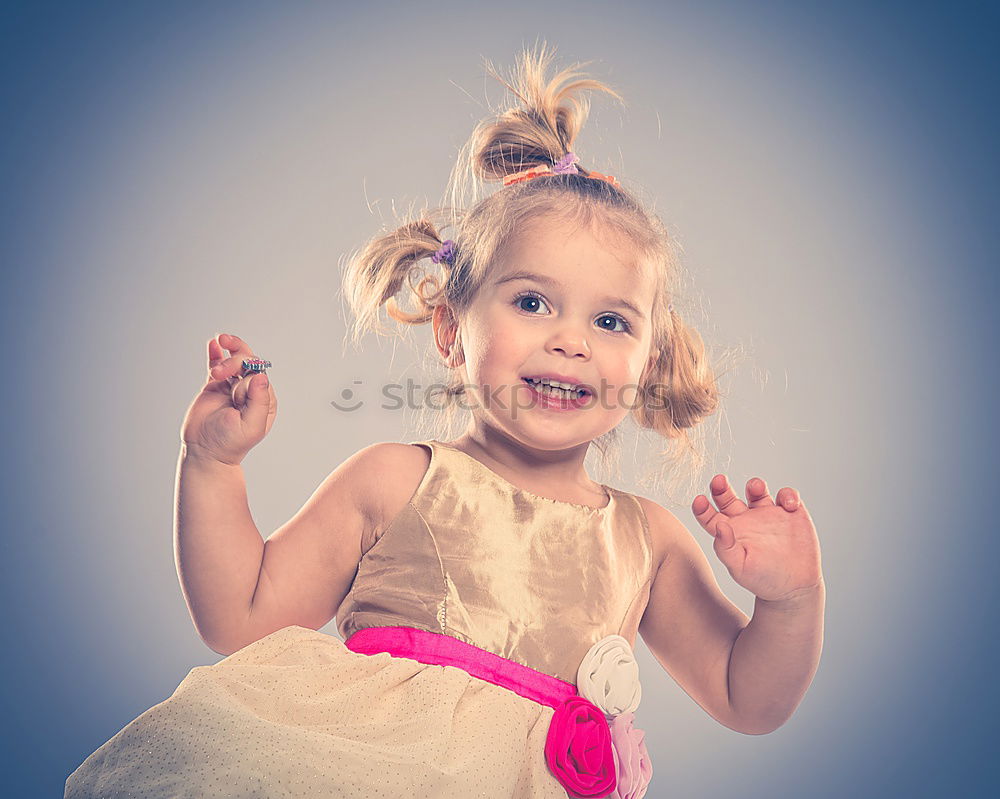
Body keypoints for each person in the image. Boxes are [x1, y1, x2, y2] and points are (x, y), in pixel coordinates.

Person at [65, 44, 825, 799]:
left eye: (611, 320)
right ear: (452, 329)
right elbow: (241, 616)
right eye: (532, 302)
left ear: (651, 362)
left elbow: (746, 696)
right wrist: (213, 465)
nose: (572, 339)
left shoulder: (648, 539)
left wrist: (790, 600)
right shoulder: (398, 478)